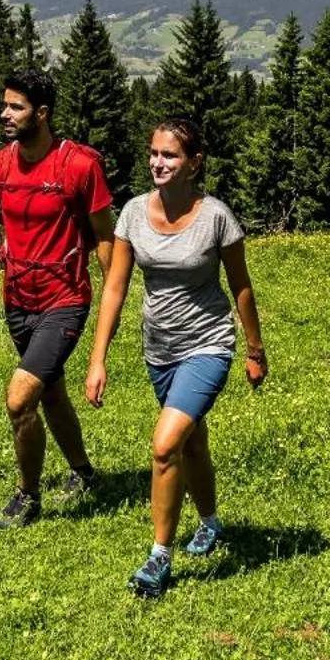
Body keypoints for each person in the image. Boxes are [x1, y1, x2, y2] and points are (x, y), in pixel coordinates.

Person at [87, 116, 267, 598]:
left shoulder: (216, 218)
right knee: (191, 443)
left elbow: (241, 286)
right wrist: (97, 358)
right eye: (153, 153)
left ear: (194, 165)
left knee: (166, 444)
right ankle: (209, 522)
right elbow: (116, 287)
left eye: (169, 155)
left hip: (209, 343)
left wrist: (254, 348)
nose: (157, 162)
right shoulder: (130, 214)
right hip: (159, 350)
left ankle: (158, 558)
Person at [0, 68, 116, 528]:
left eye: (16, 106)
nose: (5, 114)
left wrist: (113, 300)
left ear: (43, 113)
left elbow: (103, 237)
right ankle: (82, 472)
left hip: (65, 299)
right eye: (5, 105)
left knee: (20, 399)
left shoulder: (79, 166)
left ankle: (27, 496)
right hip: (17, 300)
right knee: (51, 391)